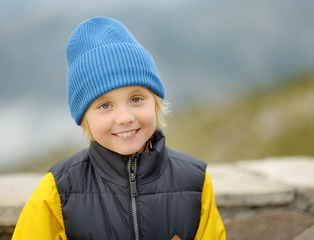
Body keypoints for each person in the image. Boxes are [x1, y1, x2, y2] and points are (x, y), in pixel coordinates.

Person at [12, 16, 226, 240]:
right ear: (85, 117)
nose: (124, 118)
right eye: (105, 105)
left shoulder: (195, 182)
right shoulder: (57, 192)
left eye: (136, 99)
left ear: (155, 102)